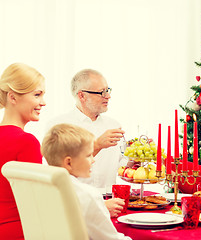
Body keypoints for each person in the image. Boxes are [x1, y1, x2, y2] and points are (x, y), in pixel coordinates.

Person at [41, 123, 131, 240]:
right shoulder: (87, 195)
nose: (93, 160)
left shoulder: (43, 186)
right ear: (69, 163)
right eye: (88, 155)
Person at [46, 69, 126, 189]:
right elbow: (56, 173)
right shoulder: (58, 126)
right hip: (76, 202)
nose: (108, 96)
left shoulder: (113, 125)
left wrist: (137, 160)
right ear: (82, 96)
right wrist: (97, 145)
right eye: (102, 92)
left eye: (107, 90)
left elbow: (122, 166)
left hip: (110, 202)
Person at [0, 63, 46, 240]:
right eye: (37, 95)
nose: (43, 102)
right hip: (21, 231)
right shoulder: (26, 142)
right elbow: (37, 202)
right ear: (12, 97)